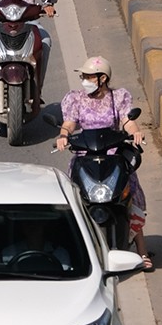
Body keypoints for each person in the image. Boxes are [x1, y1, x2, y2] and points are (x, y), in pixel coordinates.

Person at [56, 57, 150, 267]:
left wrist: (136, 133)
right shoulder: (76, 99)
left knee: (131, 196)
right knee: (74, 200)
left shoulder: (118, 97)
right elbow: (69, 124)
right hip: (85, 157)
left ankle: (142, 252)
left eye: (88, 76)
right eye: (83, 76)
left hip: (114, 158)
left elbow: (128, 121)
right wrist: (63, 136)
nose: (84, 80)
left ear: (103, 78)